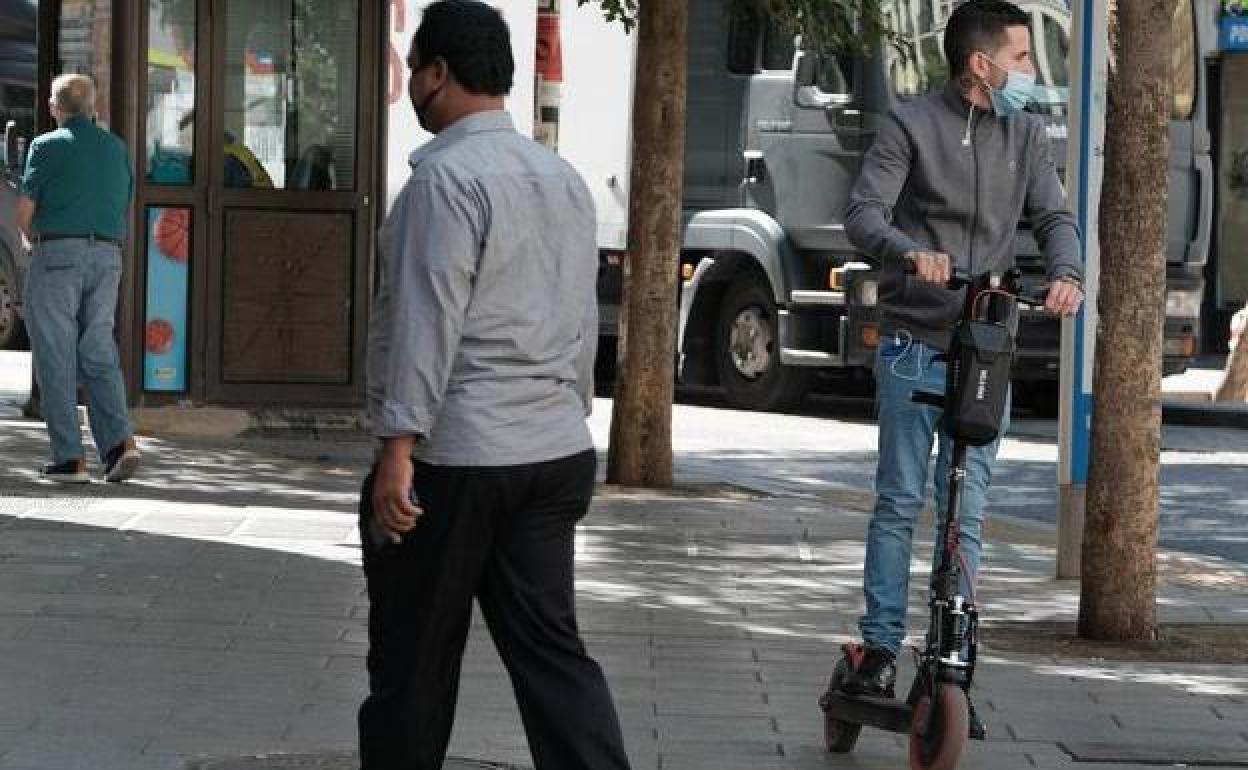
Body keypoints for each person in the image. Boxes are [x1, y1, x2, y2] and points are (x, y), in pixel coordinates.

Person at [359, 3, 630, 769]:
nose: (412, 84)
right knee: (553, 657)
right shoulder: (562, 179)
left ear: (437, 73)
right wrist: (567, 413)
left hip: (458, 459)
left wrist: (397, 450)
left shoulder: (444, 182)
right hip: (551, 452)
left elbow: (425, 320)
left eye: (415, 69)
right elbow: (582, 317)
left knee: (413, 663)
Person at [836, 0, 1085, 736]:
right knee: (900, 499)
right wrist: (908, 252)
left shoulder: (1028, 133)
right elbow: (863, 212)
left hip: (988, 344)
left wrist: (1067, 272)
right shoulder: (910, 125)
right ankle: (879, 648)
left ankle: (951, 656)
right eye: (1020, 57)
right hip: (918, 336)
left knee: (966, 510)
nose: (1029, 72)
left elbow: (1054, 218)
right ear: (981, 65)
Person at [15, 73, 139, 484]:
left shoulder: (46, 146)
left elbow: (25, 210)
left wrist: (30, 240)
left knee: (56, 355)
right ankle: (119, 443)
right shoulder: (116, 147)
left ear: (55, 108)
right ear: (94, 108)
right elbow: (123, 202)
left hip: (58, 256)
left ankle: (69, 458)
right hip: (107, 256)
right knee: (98, 349)